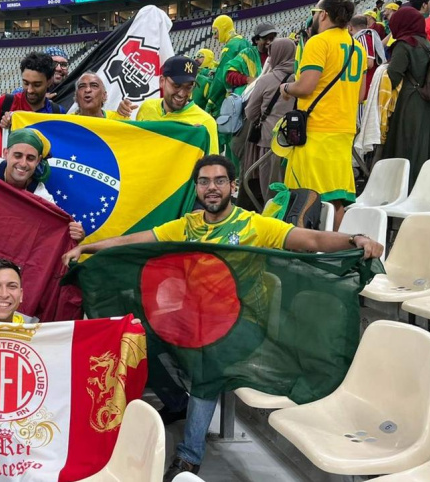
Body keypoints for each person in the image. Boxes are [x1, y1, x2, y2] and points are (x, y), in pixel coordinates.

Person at [61, 155, 384, 481]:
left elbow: (312, 240)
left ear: (232, 186)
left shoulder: (255, 225)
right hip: (193, 318)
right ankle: (176, 402)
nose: (211, 188)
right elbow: (135, 241)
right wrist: (86, 249)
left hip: (242, 324)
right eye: (204, 182)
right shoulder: (187, 226)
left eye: (219, 181)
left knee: (206, 360)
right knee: (135, 337)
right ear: (197, 188)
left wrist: (354, 239)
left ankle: (189, 457)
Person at [280, 0, 366, 230]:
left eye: (315, 12)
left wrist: (286, 89)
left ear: (324, 14)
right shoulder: (357, 47)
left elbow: (306, 86)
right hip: (344, 130)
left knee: (305, 195)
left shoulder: (318, 42)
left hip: (317, 131)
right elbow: (361, 95)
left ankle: (302, 254)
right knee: (337, 198)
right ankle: (331, 249)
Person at [111, 56, 220, 155]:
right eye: (176, 85)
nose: (182, 93)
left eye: (188, 87)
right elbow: (136, 146)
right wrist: (121, 116)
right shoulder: (147, 107)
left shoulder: (206, 122)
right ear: (162, 81)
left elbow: (212, 168)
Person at [382, 6, 430, 190]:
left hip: (410, 102)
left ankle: (403, 190)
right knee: (424, 148)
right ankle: (423, 190)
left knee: (406, 146)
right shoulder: (427, 43)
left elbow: (394, 75)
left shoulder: (405, 44)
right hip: (429, 103)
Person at [242, 38, 297, 206]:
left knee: (271, 188)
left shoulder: (266, 80)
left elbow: (250, 112)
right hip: (296, 140)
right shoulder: (302, 78)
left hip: (270, 141)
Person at [0, 51, 66, 129]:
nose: (30, 90)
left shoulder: (57, 113)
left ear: (49, 81)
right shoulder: (5, 103)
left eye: (37, 85)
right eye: (26, 83)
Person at [350, 15, 386, 106]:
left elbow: (369, 62)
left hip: (366, 91)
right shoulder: (363, 37)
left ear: (349, 27)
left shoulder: (363, 37)